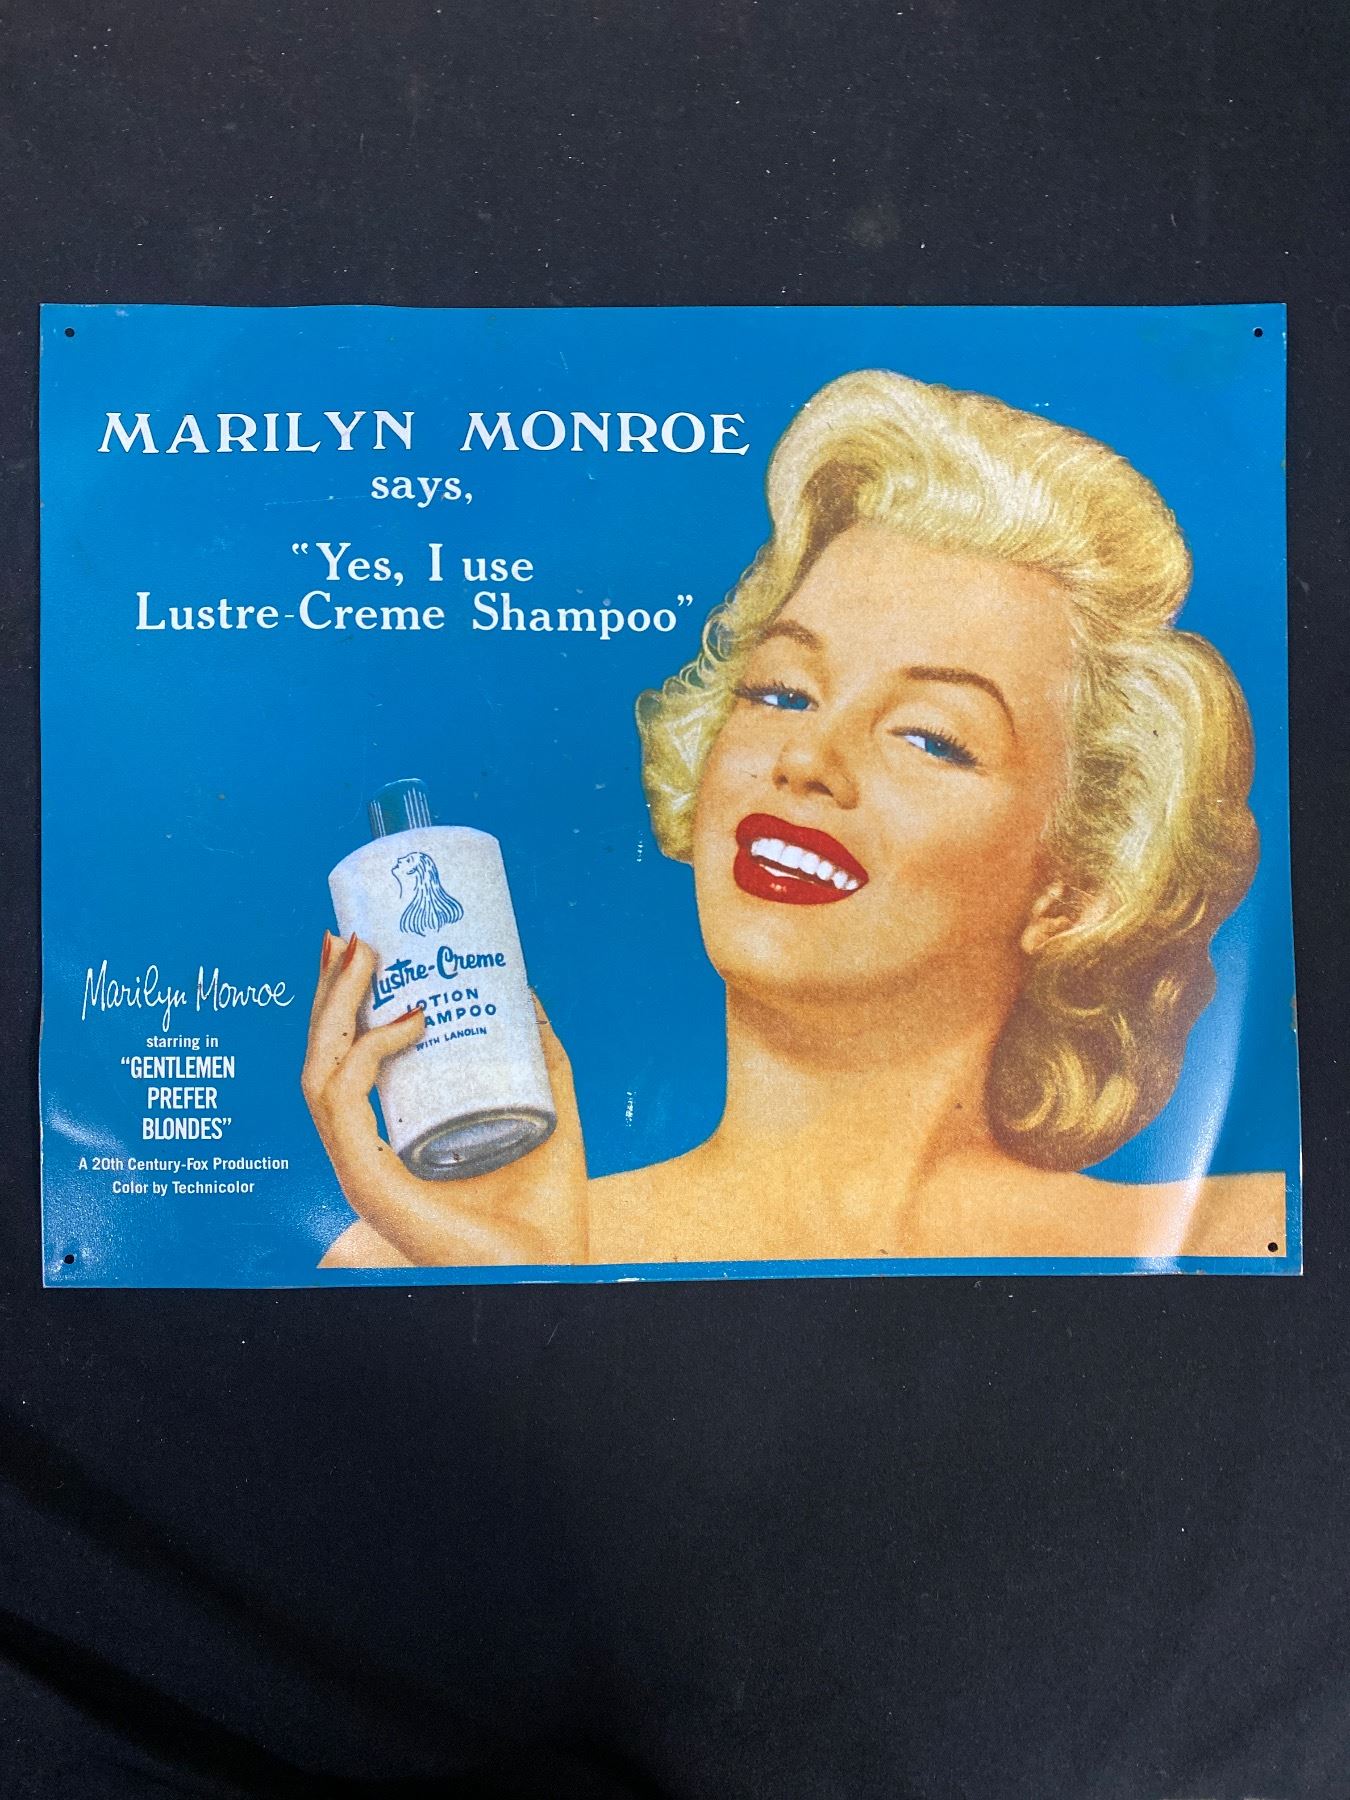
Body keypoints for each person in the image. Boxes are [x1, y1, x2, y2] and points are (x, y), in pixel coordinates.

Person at [303, 369, 1285, 1269]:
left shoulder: (1242, 1235)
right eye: (781, 692)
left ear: (1078, 888)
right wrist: (535, 1287)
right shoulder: (431, 1254)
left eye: (929, 737)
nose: (808, 758)